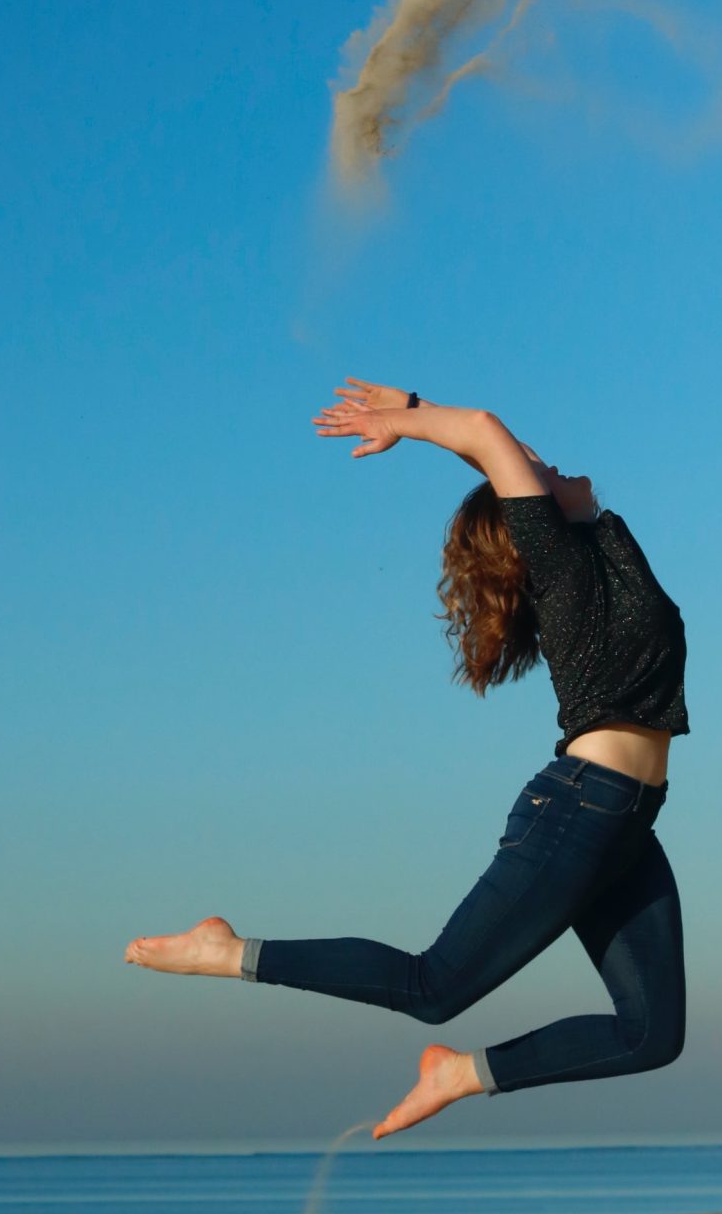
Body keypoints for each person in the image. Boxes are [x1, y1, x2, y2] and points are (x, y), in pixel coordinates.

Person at [125, 379, 688, 1138]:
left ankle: (460, 1073)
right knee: (432, 987)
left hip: (626, 825)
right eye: (529, 475)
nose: (543, 463)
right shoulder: (562, 568)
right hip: (581, 810)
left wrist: (421, 404)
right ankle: (226, 952)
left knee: (650, 1035)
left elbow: (514, 454)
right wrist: (410, 421)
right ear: (529, 522)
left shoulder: (602, 540)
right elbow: (490, 436)